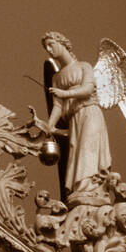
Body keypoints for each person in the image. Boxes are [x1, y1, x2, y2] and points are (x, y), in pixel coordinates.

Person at [41, 32, 112, 197]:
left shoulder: (83, 66)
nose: (49, 49)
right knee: (76, 151)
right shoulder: (57, 77)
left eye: (51, 44)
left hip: (90, 112)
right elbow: (57, 106)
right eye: (46, 47)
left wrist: (64, 94)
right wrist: (49, 125)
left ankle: (91, 189)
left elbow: (87, 90)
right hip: (74, 118)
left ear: (63, 44)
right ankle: (80, 189)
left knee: (88, 148)